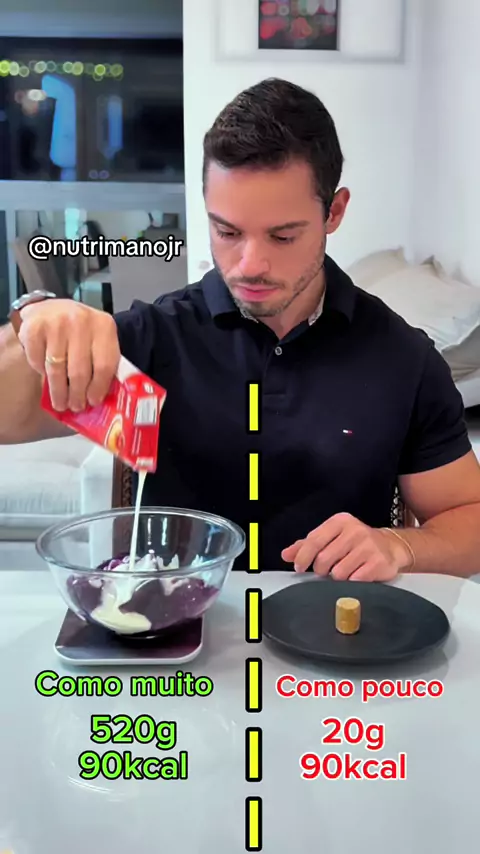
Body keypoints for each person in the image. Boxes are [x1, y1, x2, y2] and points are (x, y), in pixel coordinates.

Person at [1, 77, 480, 578]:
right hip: (178, 616)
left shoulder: (402, 361)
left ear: (334, 212)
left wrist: (399, 547)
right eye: (227, 231)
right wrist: (35, 316)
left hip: (338, 616)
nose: (250, 265)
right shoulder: (156, 338)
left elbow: (468, 520)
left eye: (283, 236)